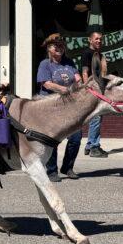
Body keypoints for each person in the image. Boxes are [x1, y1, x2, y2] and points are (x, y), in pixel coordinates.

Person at [37, 34, 83, 181]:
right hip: (52, 105)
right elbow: (46, 83)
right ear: (49, 49)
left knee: (76, 137)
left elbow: (78, 79)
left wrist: (79, 84)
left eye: (61, 45)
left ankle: (67, 167)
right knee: (53, 139)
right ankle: (51, 171)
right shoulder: (45, 64)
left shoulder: (69, 62)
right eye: (55, 46)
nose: (59, 48)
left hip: (69, 105)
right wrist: (63, 89)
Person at [79, 31, 109, 159]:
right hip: (92, 90)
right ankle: (93, 147)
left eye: (100, 39)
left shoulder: (100, 55)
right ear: (90, 40)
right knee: (96, 119)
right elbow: (85, 72)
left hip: (99, 89)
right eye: (96, 39)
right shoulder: (87, 53)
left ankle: (90, 145)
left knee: (97, 118)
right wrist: (88, 89)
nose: (99, 41)